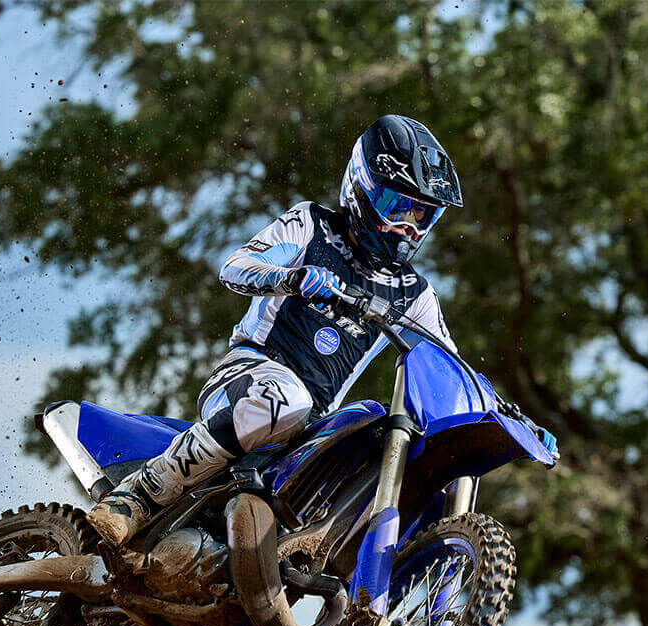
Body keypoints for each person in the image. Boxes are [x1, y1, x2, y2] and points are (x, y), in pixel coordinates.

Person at [87, 115, 464, 554]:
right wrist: (293, 278)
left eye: (423, 214)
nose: (409, 227)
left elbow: (448, 368)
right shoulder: (312, 225)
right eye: (398, 207)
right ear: (362, 188)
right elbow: (236, 267)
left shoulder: (415, 293)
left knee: (398, 448)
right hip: (249, 376)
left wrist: (501, 414)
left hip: (316, 428)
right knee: (287, 399)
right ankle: (140, 494)